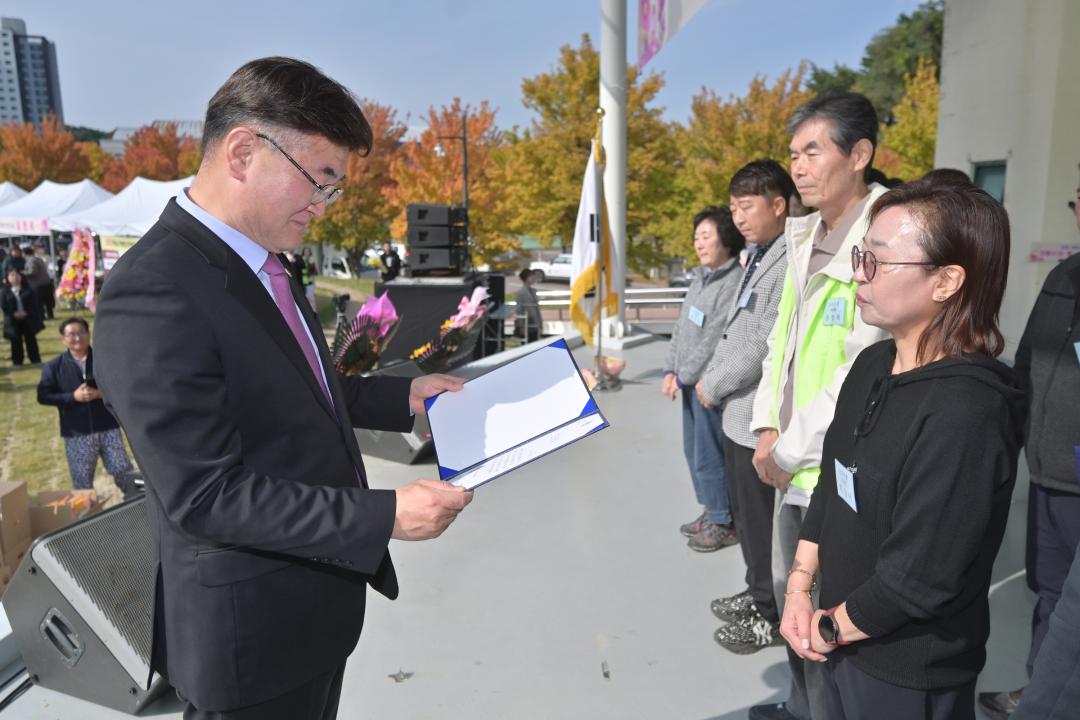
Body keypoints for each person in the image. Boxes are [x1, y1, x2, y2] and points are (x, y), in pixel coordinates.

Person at [92, 57, 473, 720]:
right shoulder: (154, 290)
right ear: (244, 152)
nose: (322, 206)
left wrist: (402, 398)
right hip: (249, 641)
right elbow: (204, 495)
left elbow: (295, 386)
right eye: (319, 180)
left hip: (311, 615)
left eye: (334, 189)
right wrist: (382, 515)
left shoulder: (265, 262)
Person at [781, 178, 1023, 720]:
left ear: (946, 281)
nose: (857, 273)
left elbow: (920, 578)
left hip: (907, 668)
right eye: (860, 255)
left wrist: (826, 628)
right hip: (841, 636)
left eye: (878, 261)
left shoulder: (967, 410)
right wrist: (799, 587)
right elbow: (832, 481)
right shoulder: (872, 365)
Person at [747, 91, 890, 720]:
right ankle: (800, 710)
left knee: (828, 625)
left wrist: (787, 448)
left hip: (838, 468)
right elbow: (779, 343)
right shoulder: (806, 233)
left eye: (813, 152)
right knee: (794, 603)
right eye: (794, 154)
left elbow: (864, 369)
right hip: (793, 459)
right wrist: (767, 426)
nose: (799, 168)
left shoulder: (883, 237)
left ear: (859, 155)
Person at [979, 183, 1080, 720]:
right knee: (1050, 594)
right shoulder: (1062, 277)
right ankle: (1037, 690)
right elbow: (1026, 365)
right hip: (1045, 473)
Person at [696, 160, 794, 654]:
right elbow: (735, 329)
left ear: (779, 205)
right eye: (734, 207)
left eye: (747, 206)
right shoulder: (759, 254)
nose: (738, 217)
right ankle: (757, 592)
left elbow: (760, 341)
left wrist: (713, 383)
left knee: (760, 524)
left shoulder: (789, 257)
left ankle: (769, 613)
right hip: (738, 415)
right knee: (747, 517)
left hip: (756, 414)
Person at [663, 206, 744, 552]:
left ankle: (723, 520)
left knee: (710, 453)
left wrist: (684, 376)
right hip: (687, 382)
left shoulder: (732, 281)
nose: (699, 243)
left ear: (726, 239)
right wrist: (670, 369)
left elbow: (713, 339)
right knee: (693, 450)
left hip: (707, 385)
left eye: (706, 236)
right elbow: (681, 328)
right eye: (696, 237)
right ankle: (711, 509)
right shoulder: (699, 279)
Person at [37, 318, 136, 496]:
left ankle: (136, 504)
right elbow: (43, 395)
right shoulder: (54, 366)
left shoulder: (103, 360)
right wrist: (72, 397)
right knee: (82, 483)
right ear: (63, 339)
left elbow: (123, 385)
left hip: (108, 427)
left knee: (124, 472)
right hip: (77, 433)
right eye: (71, 334)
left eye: (81, 332)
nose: (77, 338)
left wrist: (101, 393)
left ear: (89, 334)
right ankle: (88, 512)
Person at [1, 266, 43, 365]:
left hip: (27, 318)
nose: (15, 277)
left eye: (17, 275)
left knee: (31, 340)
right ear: (7, 278)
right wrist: (13, 313)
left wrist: (26, 312)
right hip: (12, 320)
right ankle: (17, 361)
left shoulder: (29, 290)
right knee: (15, 341)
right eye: (12, 275)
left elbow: (34, 304)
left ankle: (35, 359)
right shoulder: (4, 291)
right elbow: (3, 305)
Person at [25, 243, 55, 320]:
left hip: (38, 284)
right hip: (46, 282)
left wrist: (23, 273)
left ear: (24, 254)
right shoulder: (39, 259)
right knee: (48, 301)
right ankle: (50, 315)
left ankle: (42, 316)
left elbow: (33, 272)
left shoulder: (31, 261)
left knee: (39, 302)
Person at [514, 268, 543, 342]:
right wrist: (521, 327)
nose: (533, 278)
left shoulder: (533, 291)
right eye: (531, 276)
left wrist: (540, 323)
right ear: (526, 278)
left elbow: (537, 309)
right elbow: (519, 311)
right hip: (527, 325)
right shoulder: (520, 293)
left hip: (535, 325)